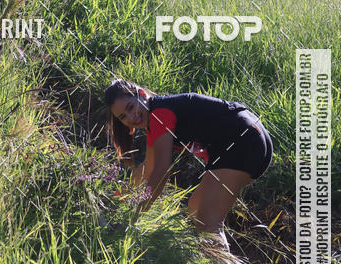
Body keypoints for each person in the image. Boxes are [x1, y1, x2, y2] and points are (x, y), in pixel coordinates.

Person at [105, 79, 273, 250]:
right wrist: (116, 200)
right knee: (196, 209)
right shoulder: (155, 121)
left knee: (208, 223)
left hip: (243, 140)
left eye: (131, 107)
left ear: (141, 94)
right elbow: (148, 167)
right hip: (252, 138)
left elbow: (161, 172)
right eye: (123, 117)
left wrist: (133, 215)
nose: (131, 117)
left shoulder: (159, 114)